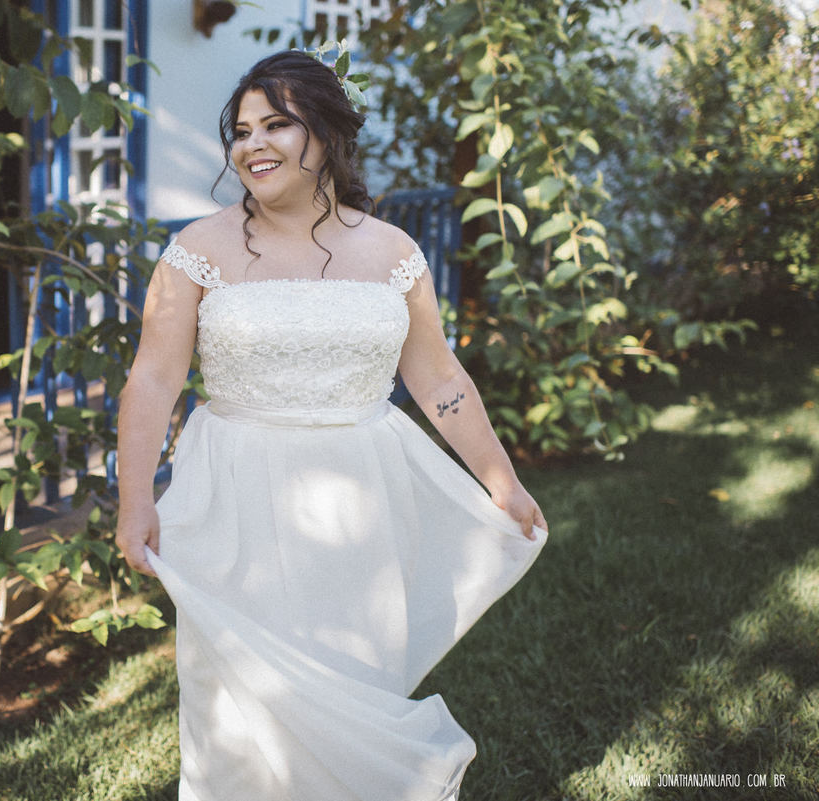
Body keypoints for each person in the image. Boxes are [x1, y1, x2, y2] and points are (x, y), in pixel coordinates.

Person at [116, 50, 548, 801]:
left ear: (327, 132)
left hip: (360, 504)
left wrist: (500, 479)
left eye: (276, 124)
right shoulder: (196, 251)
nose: (252, 144)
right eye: (242, 130)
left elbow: (439, 376)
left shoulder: (392, 254)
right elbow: (153, 378)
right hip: (236, 496)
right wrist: (134, 501)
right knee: (241, 704)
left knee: (354, 674)